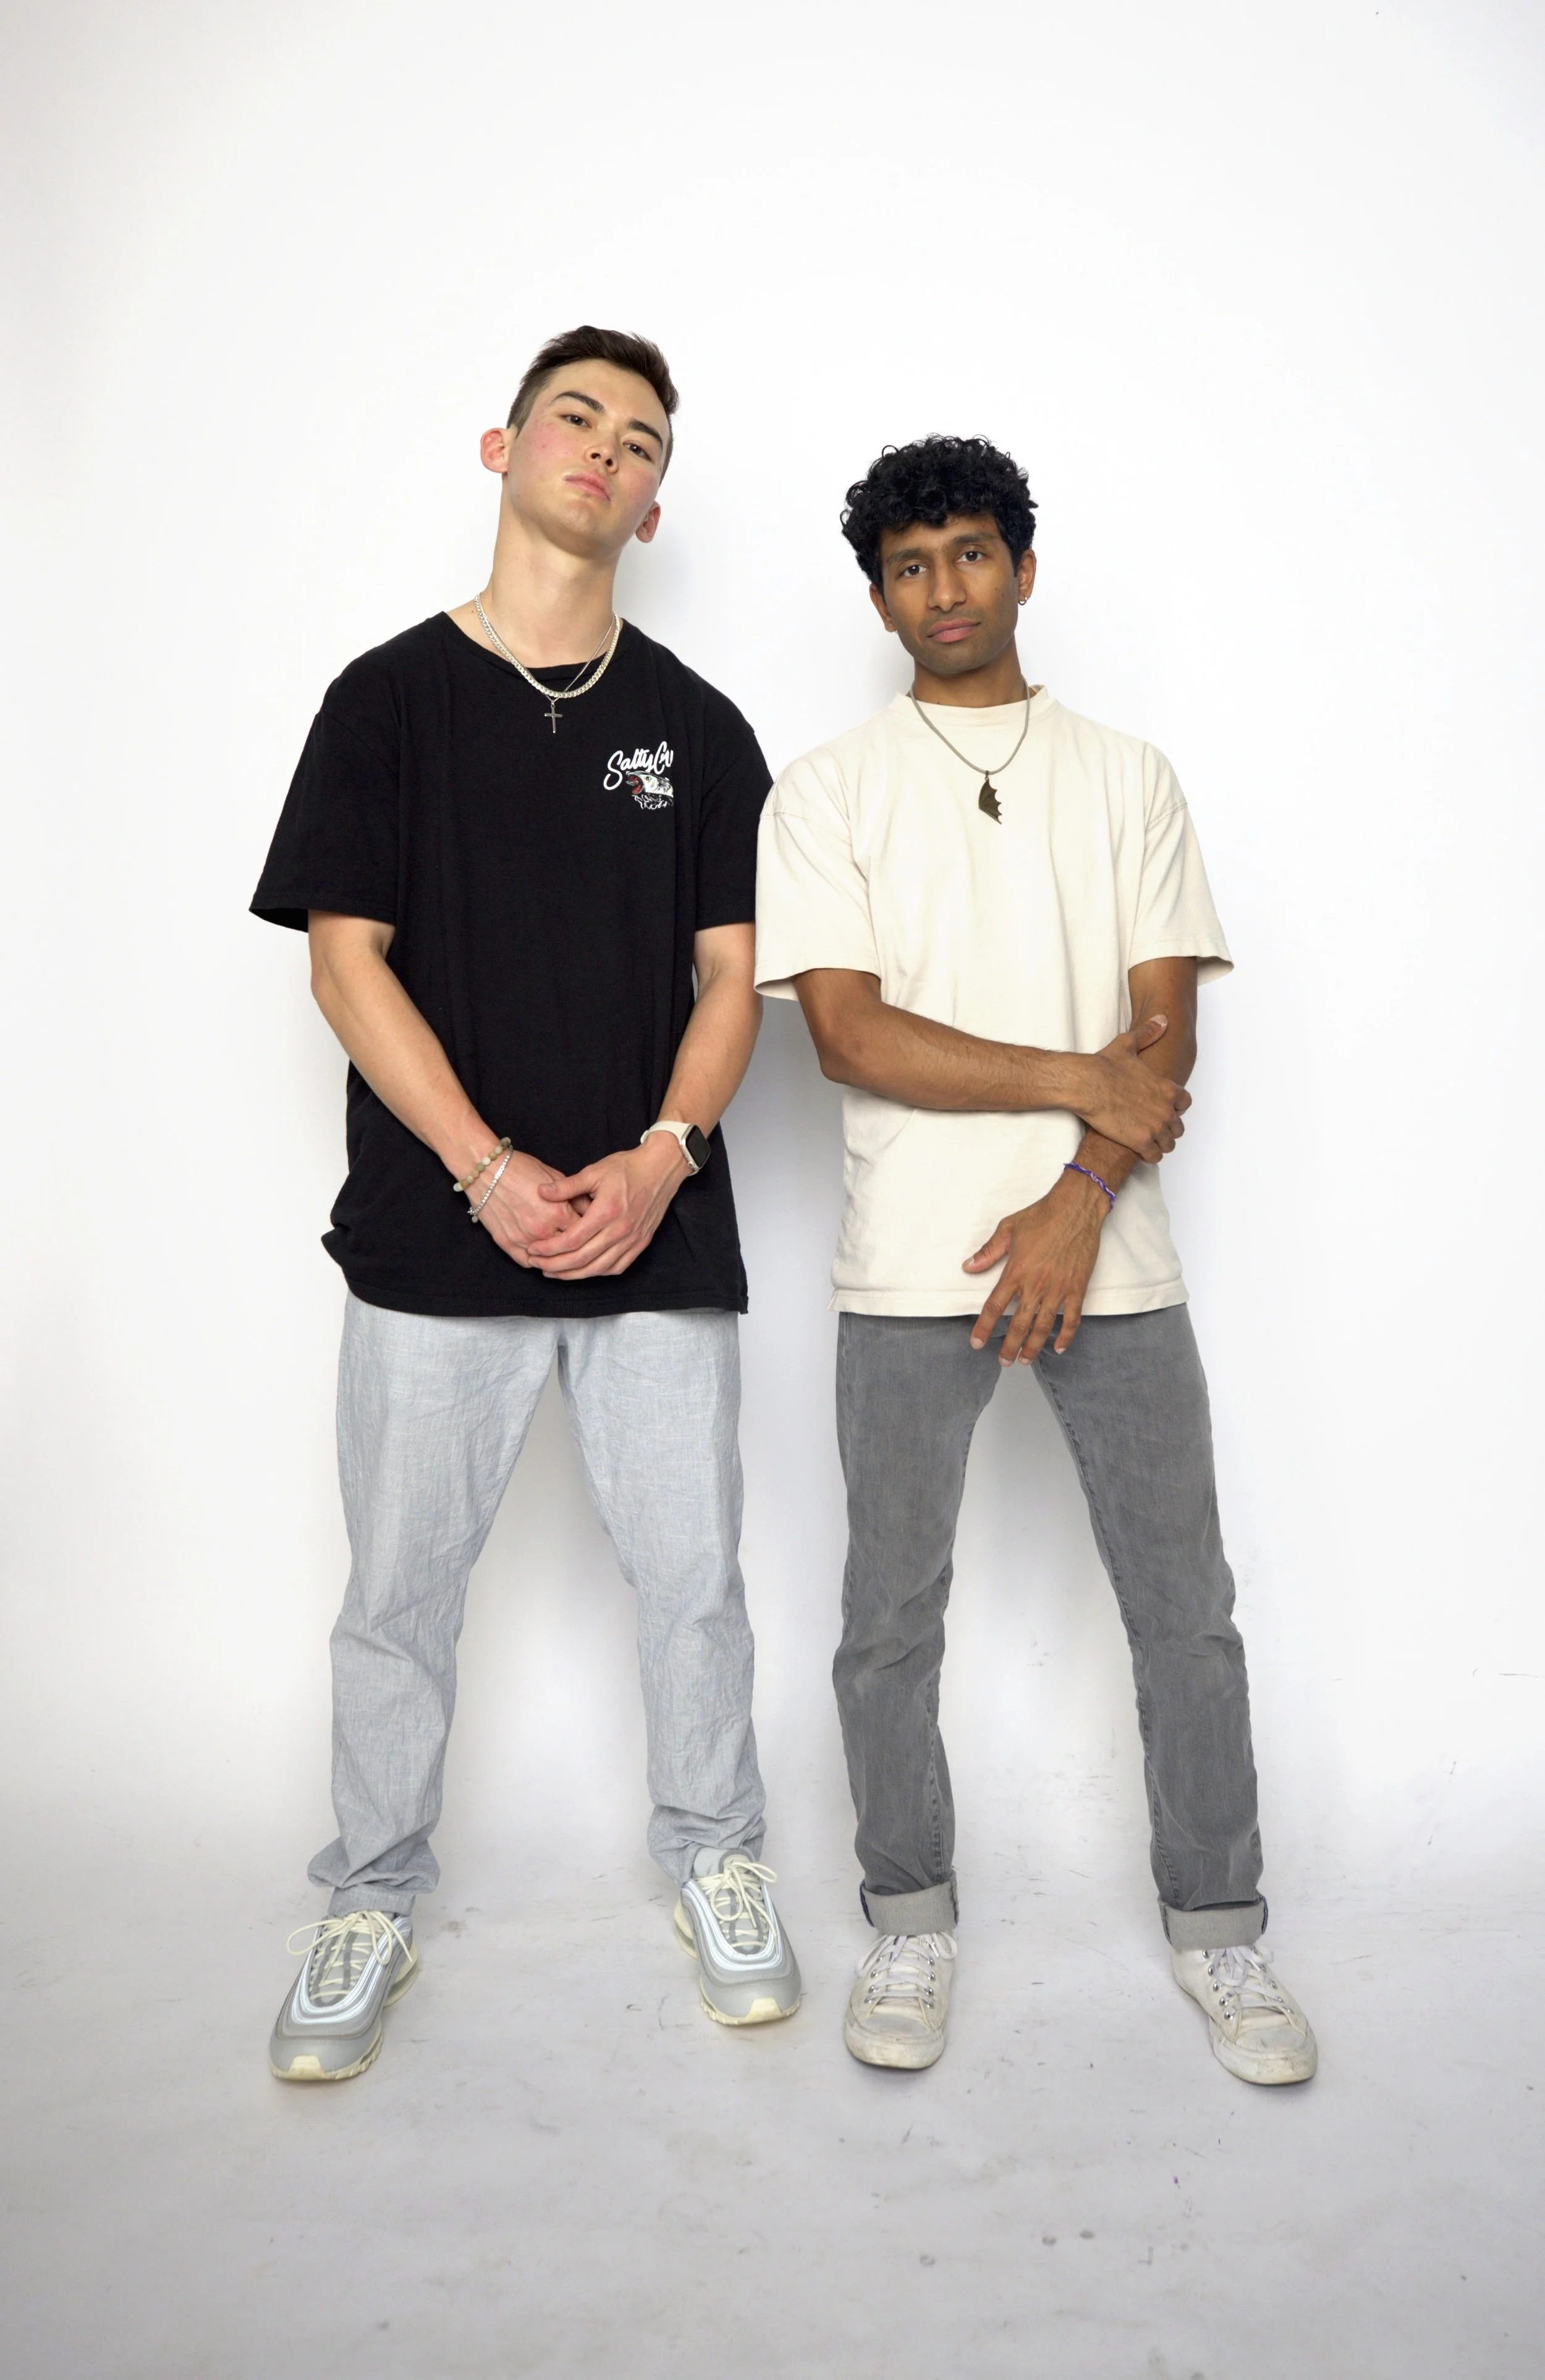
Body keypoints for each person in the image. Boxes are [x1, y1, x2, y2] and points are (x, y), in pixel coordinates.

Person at [252, 326, 800, 2083]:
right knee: (398, 1596)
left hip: (657, 1234)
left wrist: (661, 1155)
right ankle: (370, 1896)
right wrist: (486, 1170)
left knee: (693, 1583)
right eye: (576, 417)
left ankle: (718, 1860)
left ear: (655, 506)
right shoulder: (387, 701)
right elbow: (345, 964)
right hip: (435, 1242)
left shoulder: (699, 728)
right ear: (501, 449)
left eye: (641, 441)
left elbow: (735, 980)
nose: (606, 450)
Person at [753, 435, 1314, 2085]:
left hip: (1113, 1254)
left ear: (1022, 567)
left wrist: (1078, 1196)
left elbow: (1164, 1034)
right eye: (910, 566)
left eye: (972, 554)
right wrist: (1081, 1081)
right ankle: (909, 1918)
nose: (945, 588)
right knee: (887, 1617)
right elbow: (850, 1036)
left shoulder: (1127, 777)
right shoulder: (828, 788)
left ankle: (1219, 1928)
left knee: (1184, 1609)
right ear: (879, 597)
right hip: (906, 1263)